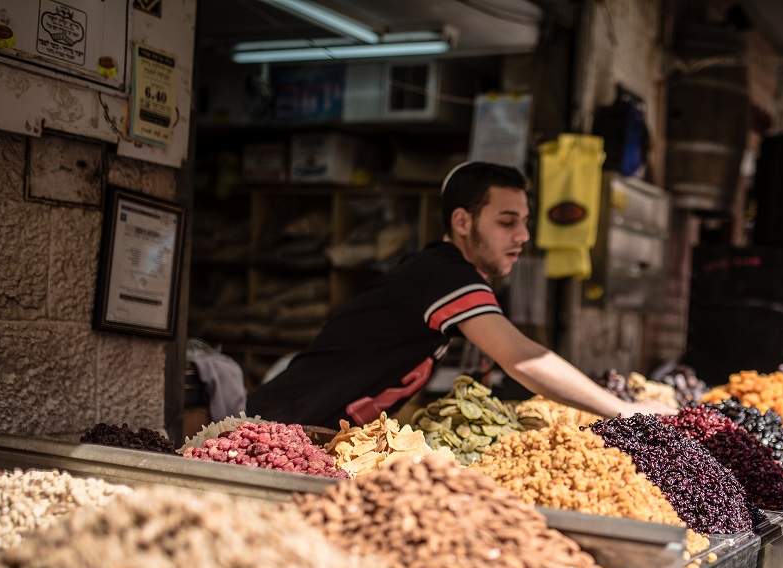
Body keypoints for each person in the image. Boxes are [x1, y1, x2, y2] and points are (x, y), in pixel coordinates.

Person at [246, 162, 671, 427]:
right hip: (283, 427)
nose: (522, 236)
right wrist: (625, 412)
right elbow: (521, 357)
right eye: (507, 221)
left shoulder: (443, 272)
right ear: (463, 221)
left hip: (311, 429)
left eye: (524, 221)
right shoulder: (444, 274)